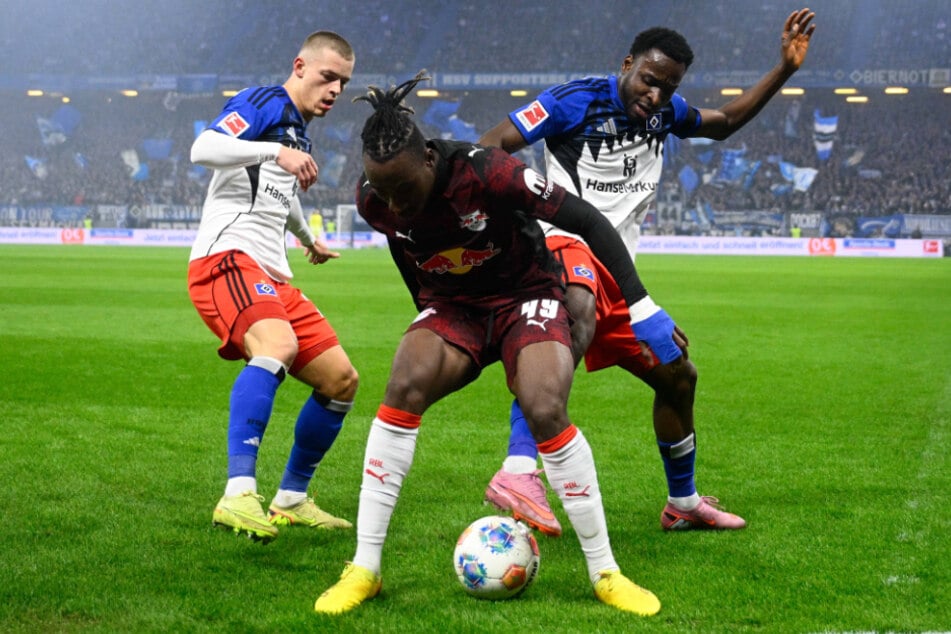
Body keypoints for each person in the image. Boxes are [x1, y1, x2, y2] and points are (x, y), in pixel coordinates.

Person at [314, 72, 684, 617]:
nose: (394, 203)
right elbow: (403, 246)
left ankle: (606, 572)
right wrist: (426, 308)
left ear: (429, 161)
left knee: (543, 406)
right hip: (455, 305)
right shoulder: (376, 199)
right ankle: (364, 569)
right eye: (382, 191)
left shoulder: (489, 171)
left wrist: (640, 303)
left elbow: (586, 219)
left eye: (403, 189)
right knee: (402, 383)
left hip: (524, 294)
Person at [478, 8, 816, 536]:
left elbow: (723, 124)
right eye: (649, 80)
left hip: (618, 271)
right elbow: (492, 145)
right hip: (564, 248)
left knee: (678, 376)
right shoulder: (572, 101)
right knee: (576, 315)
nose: (654, 96)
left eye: (667, 87)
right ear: (628, 63)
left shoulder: (664, 112)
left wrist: (784, 70)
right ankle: (519, 469)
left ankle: (683, 503)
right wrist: (522, 209)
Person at [187, 31, 358, 543]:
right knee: (277, 346)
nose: (335, 90)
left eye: (344, 83)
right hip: (227, 258)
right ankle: (237, 495)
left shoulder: (298, 132)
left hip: (271, 270)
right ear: (300, 66)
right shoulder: (263, 103)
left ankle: (291, 498)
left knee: (341, 381)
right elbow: (203, 147)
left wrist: (308, 239)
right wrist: (272, 152)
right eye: (328, 77)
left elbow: (281, 194)